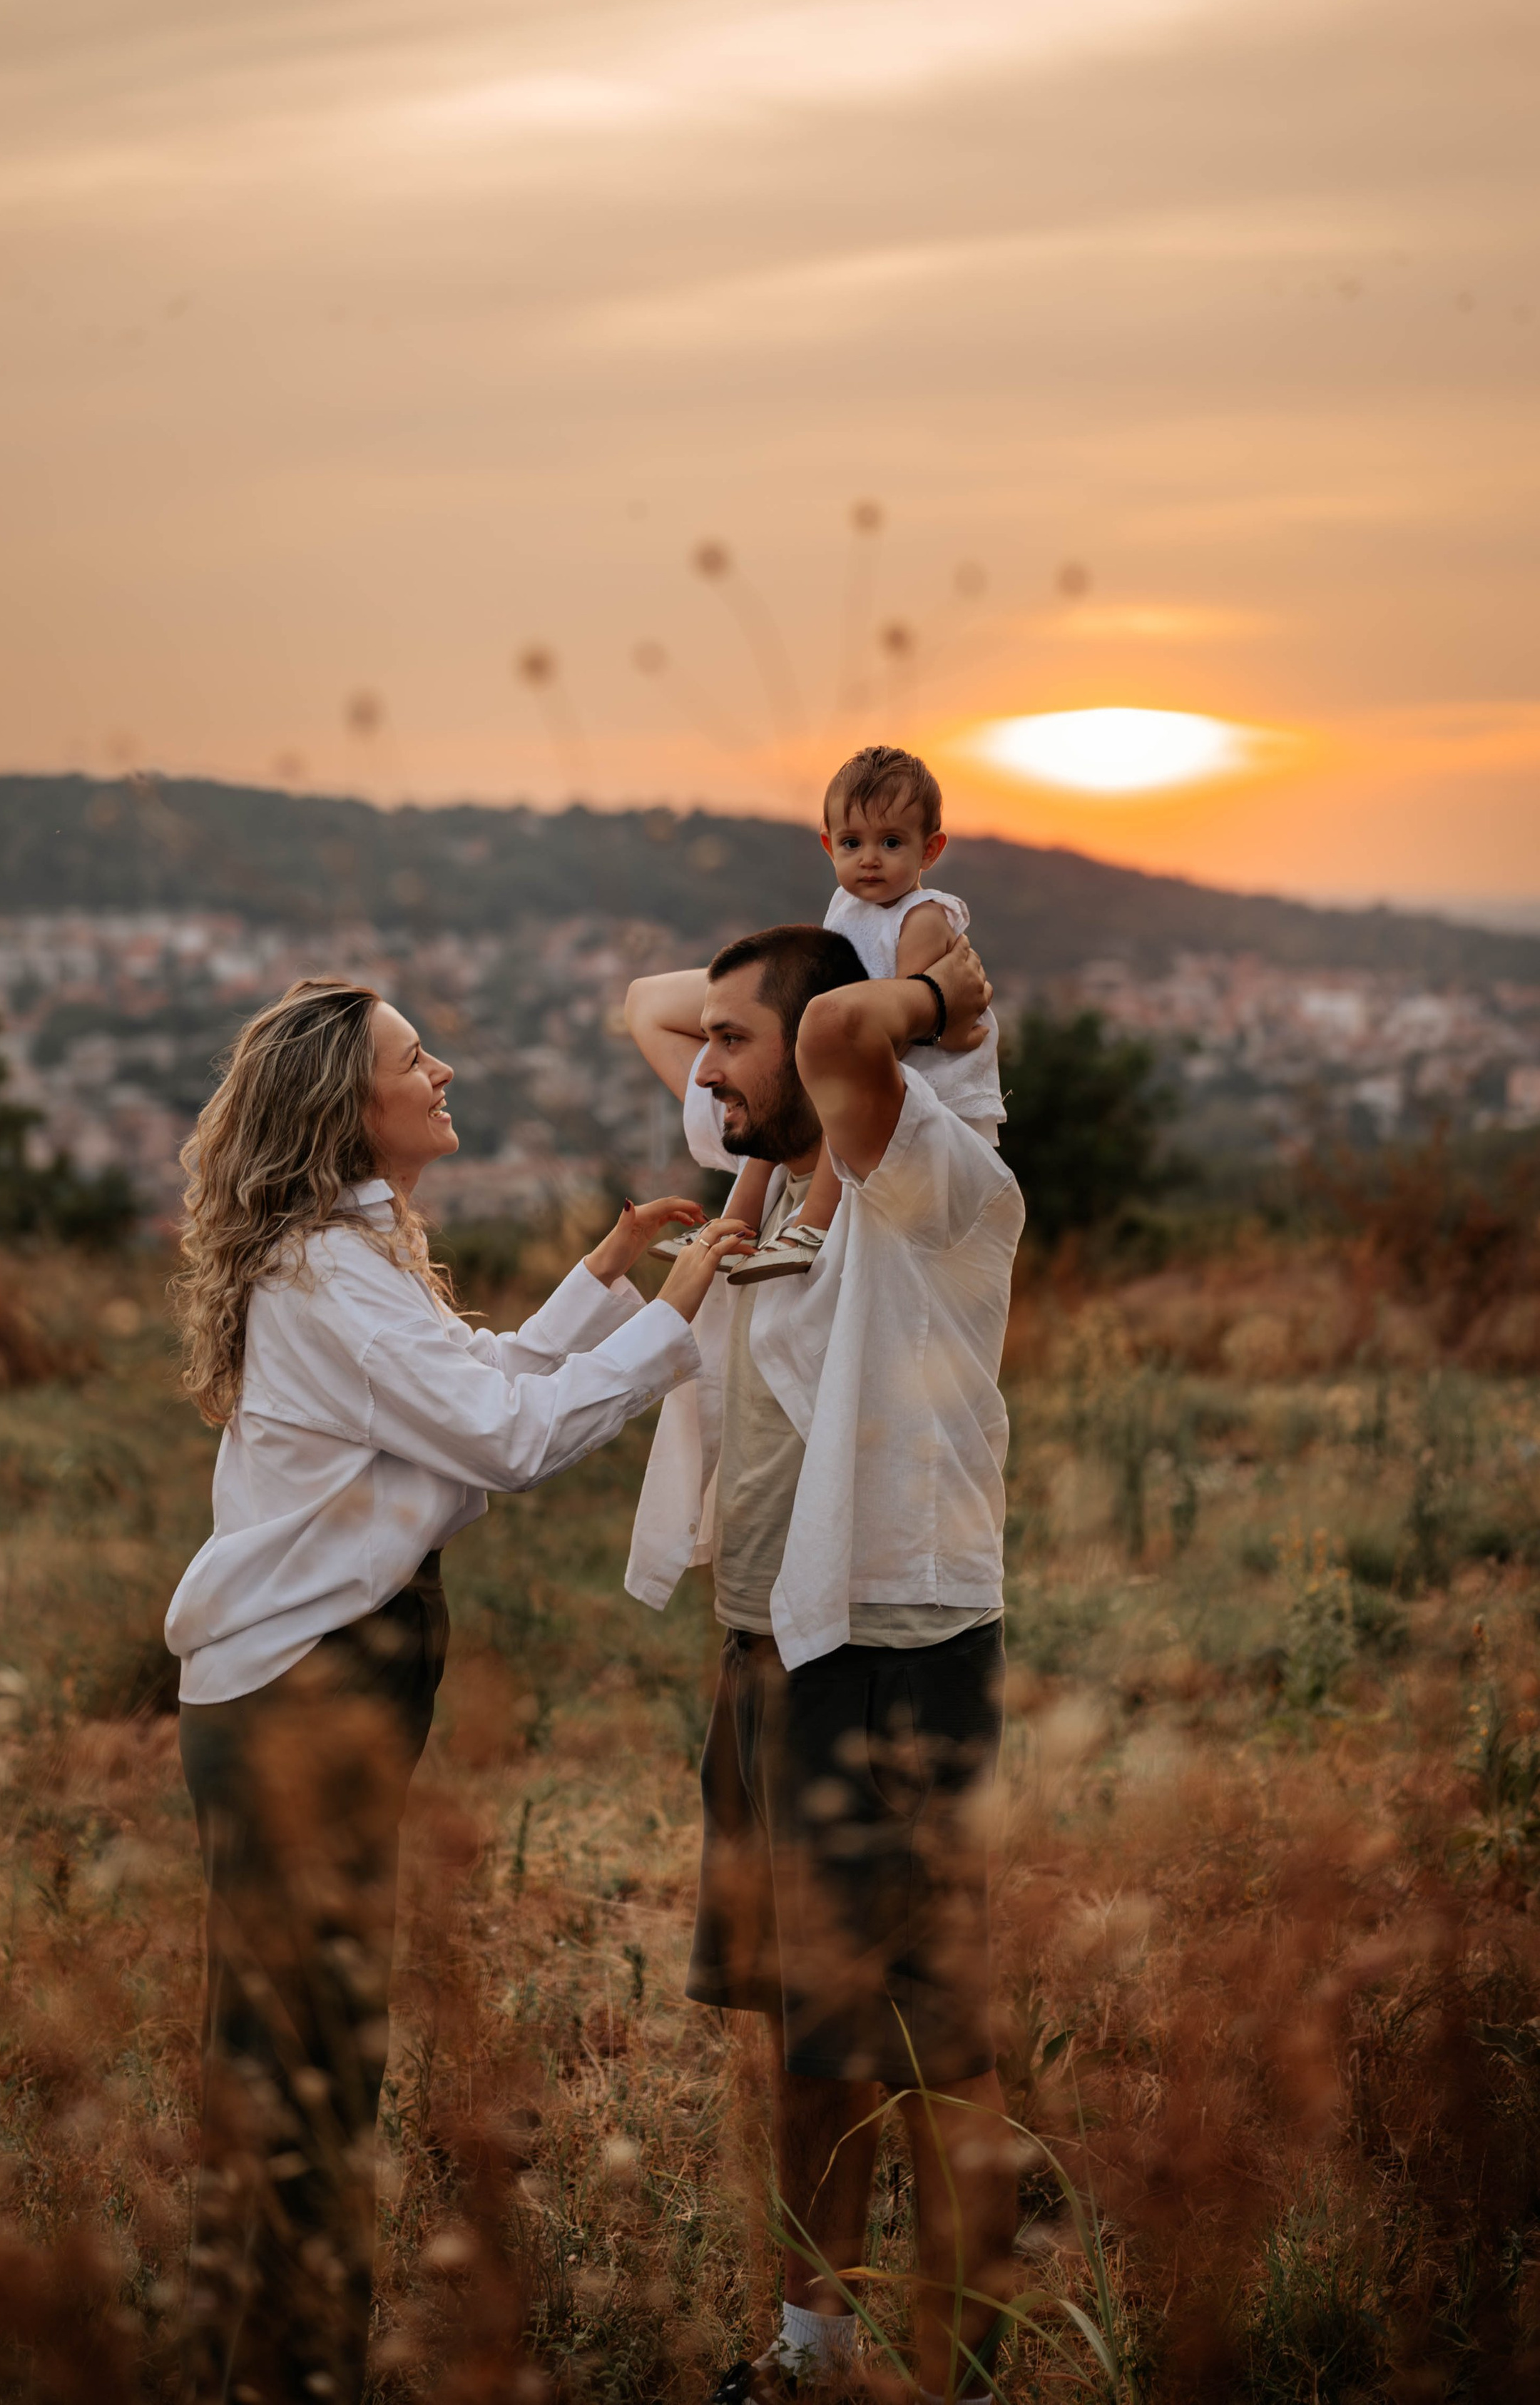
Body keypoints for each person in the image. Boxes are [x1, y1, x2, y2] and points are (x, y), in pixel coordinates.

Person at [164, 977, 748, 2404]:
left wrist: (600, 1274)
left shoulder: (350, 1258)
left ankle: (268, 2354)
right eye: (413, 1060)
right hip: (301, 1696)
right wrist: (671, 1312)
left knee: (302, 2043)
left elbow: (466, 1382)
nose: (443, 1073)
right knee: (306, 2055)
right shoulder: (324, 1277)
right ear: (347, 1111)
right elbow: (503, 1435)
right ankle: (287, 2370)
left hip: (318, 1685)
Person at [622, 924, 1023, 2403]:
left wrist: (932, 991)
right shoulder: (770, 1174)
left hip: (888, 1652)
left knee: (926, 2035)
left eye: (736, 1041)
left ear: (819, 1051)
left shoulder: (917, 1176)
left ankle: (963, 2368)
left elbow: (850, 1035)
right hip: (770, 1649)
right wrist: (781, 988)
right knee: (805, 2025)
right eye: (714, 1042)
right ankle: (809, 2351)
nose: (700, 1063)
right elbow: (646, 1002)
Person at [658, 743, 1004, 1286]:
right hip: (848, 1051)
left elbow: (904, 1020)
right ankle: (734, 1226)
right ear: (828, 844)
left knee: (828, 1112)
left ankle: (811, 1225)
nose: (870, 858)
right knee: (771, 1132)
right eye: (852, 842)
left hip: (914, 1074)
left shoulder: (923, 919)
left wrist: (824, 1065)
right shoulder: (845, 908)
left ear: (929, 849)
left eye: (891, 842)